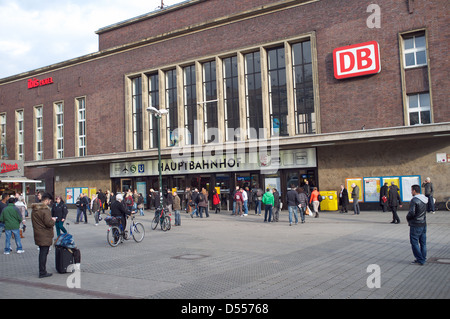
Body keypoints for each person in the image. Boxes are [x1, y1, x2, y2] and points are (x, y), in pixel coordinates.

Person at [31, 192, 56, 278]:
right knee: (43, 253)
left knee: (42, 253)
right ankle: (42, 272)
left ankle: (42, 270)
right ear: (46, 200)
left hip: (38, 233)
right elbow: (48, 223)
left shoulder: (34, 209)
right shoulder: (45, 210)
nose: (50, 202)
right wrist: (53, 220)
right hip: (45, 234)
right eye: (49, 201)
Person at [407, 185, 428, 265]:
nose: (411, 192)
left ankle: (420, 259)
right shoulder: (424, 199)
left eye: (412, 190)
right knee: (423, 243)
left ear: (414, 191)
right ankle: (423, 258)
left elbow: (412, 212)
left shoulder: (414, 200)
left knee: (414, 242)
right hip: (423, 223)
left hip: (416, 224)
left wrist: (408, 218)